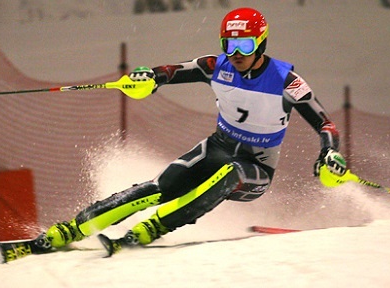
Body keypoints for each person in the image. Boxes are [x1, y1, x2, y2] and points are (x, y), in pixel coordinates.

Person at [35, 7, 347, 254]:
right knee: (158, 187)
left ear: (261, 42)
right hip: (217, 148)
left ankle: (155, 227)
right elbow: (170, 72)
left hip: (256, 168)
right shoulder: (216, 66)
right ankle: (74, 229)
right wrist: (148, 77)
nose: (236, 53)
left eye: (245, 44)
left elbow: (325, 123)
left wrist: (329, 150)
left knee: (230, 174)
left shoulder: (286, 80)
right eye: (230, 44)